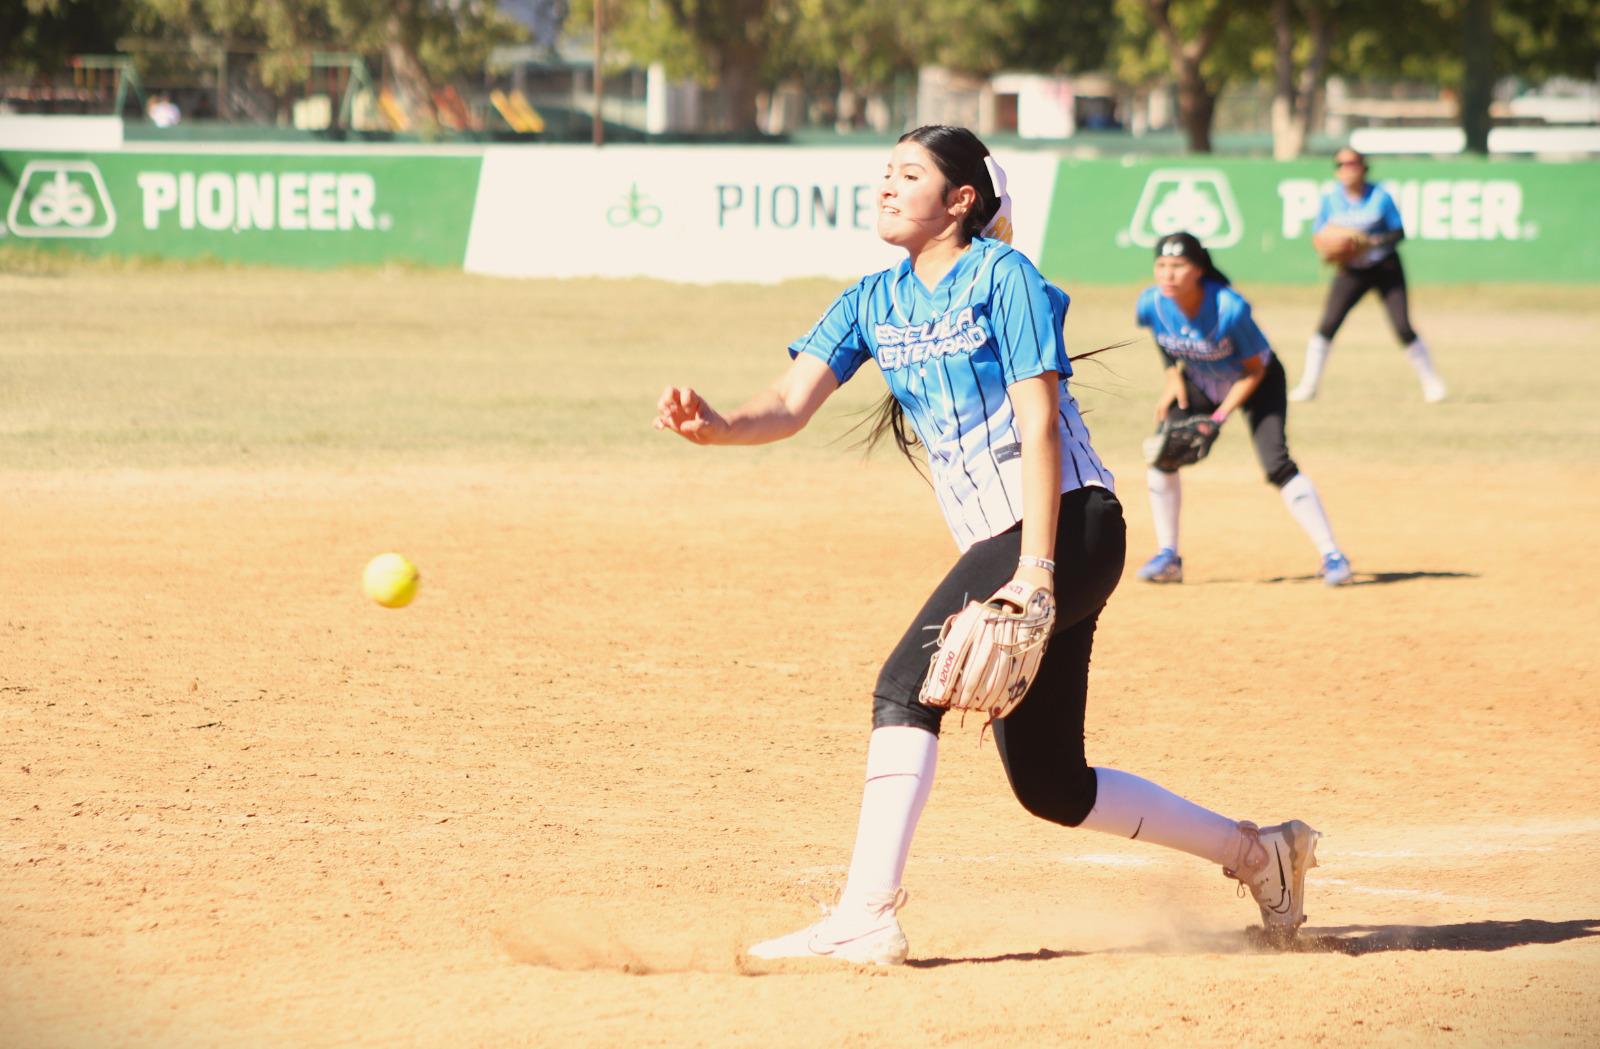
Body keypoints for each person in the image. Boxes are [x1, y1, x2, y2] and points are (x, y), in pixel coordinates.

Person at [654, 126, 1320, 966]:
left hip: (1067, 525)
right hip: (1015, 545)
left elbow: (1040, 422)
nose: (886, 186)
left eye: (909, 174)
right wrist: (716, 426)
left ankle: (865, 914)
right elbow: (788, 402)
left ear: (962, 199)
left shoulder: (1005, 278)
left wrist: (1036, 572)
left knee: (905, 687)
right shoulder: (871, 299)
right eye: (884, 172)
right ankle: (1264, 856)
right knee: (1051, 785)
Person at [1134, 232, 1354, 588]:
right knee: (1164, 455)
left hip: (1257, 382)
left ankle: (1333, 555)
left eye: (1178, 266)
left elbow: (1255, 370)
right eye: (1161, 266)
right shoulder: (1151, 303)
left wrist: (1218, 419)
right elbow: (1164, 342)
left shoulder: (1229, 309)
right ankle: (1168, 557)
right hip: (1201, 379)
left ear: (1199, 270)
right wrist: (1172, 376)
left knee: (1276, 464)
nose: (1167, 274)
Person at [1290, 147, 1446, 403]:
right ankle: (1308, 385)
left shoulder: (1380, 196)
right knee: (1327, 325)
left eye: (1353, 163)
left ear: (1363, 167)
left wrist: (1371, 242)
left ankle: (1432, 383)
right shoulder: (1331, 199)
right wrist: (1331, 250)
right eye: (1341, 164)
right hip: (1352, 270)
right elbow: (1319, 235)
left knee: (1402, 326)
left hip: (1385, 267)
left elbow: (1399, 233)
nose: (1347, 168)